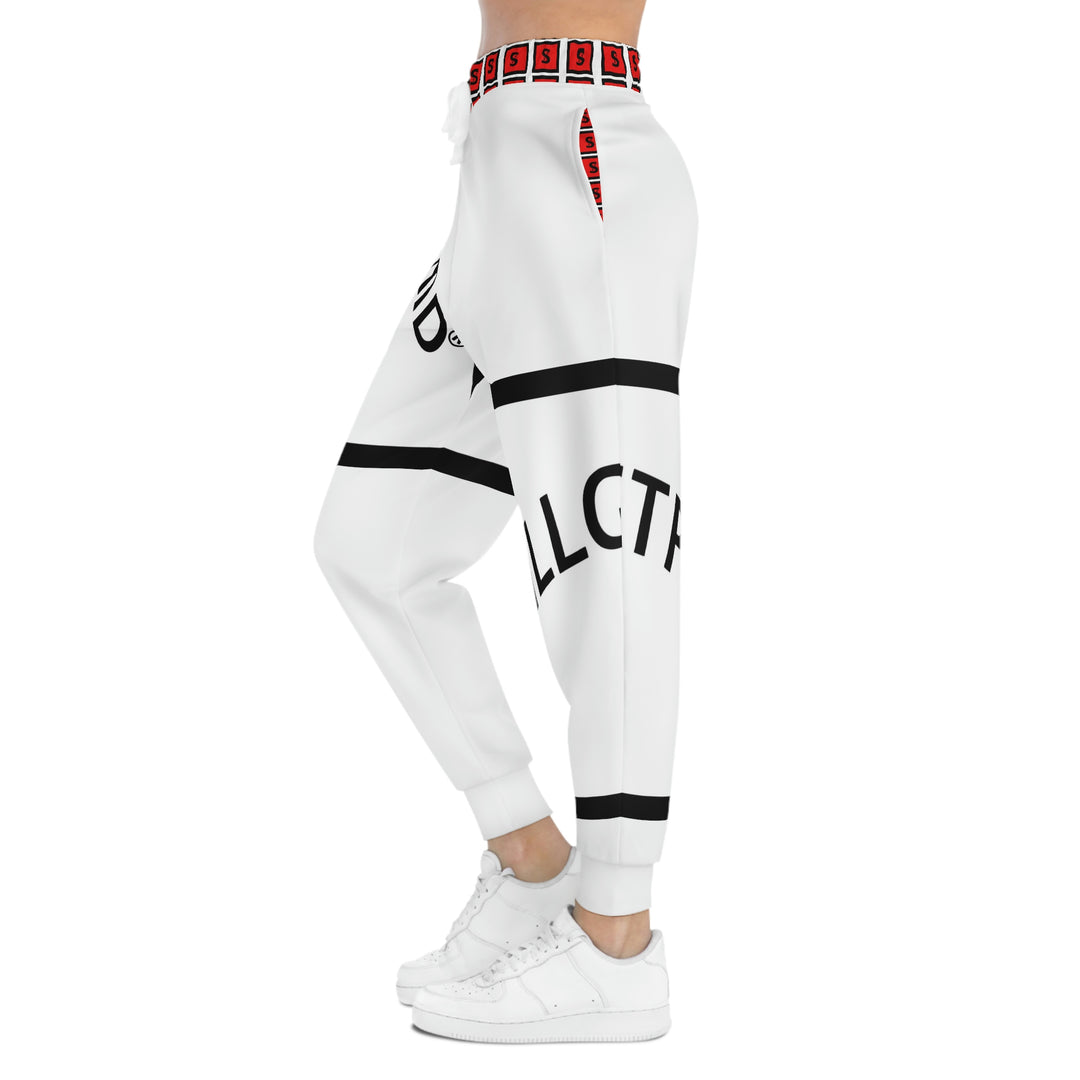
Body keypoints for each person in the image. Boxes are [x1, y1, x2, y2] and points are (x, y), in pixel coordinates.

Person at [313, 0, 697, 1042]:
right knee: (370, 541)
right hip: (494, 169)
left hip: (582, 150)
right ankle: (531, 858)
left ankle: (617, 931)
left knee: (606, 550)